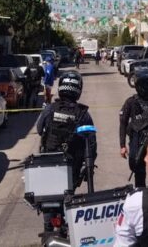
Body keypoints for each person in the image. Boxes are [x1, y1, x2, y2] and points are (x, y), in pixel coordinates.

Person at [35, 71, 96, 231]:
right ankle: (66, 225)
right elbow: (91, 143)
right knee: (68, 195)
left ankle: (48, 226)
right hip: (72, 165)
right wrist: (89, 166)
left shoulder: (50, 109)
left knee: (48, 195)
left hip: (49, 163)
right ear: (78, 89)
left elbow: (40, 129)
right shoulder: (83, 114)